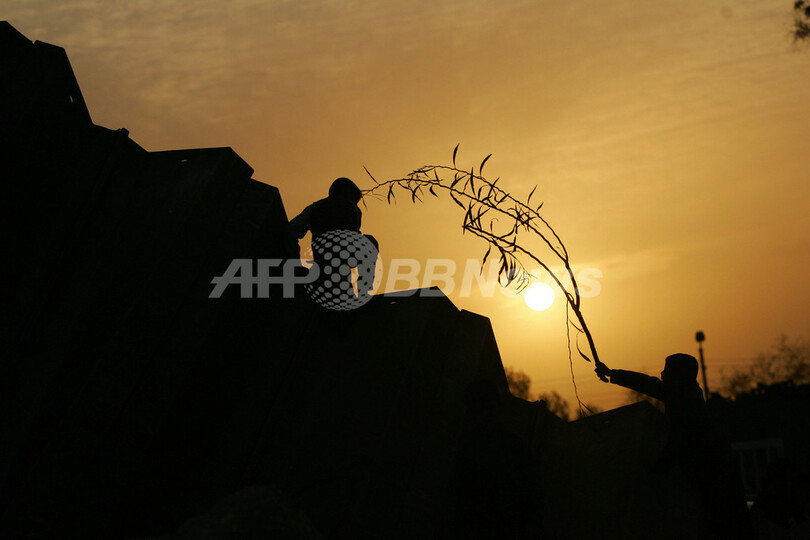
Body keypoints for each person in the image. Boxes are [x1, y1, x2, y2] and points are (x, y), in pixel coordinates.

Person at [596, 355, 754, 538]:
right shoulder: (687, 393)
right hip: (715, 471)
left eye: (667, 370)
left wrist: (657, 469)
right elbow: (652, 385)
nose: (662, 374)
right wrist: (612, 374)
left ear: (679, 375)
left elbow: (679, 440)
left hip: (713, 473)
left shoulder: (684, 398)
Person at [286, 177, 378, 296]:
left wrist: (295, 264)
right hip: (342, 262)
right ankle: (364, 290)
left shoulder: (314, 208)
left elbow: (290, 231)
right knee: (370, 242)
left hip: (323, 264)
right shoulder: (353, 209)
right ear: (350, 195)